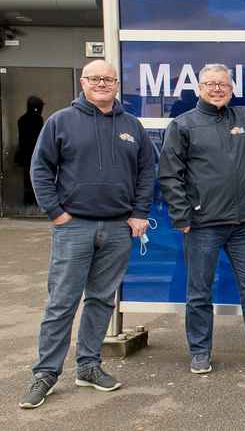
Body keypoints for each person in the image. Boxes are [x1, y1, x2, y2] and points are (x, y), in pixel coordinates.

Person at [20, 60, 155, 409]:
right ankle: (46, 374)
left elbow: (145, 173)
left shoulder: (132, 126)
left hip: (117, 228)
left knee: (100, 300)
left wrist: (139, 213)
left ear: (116, 84)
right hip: (74, 226)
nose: (101, 84)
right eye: (95, 78)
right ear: (83, 82)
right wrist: (56, 213)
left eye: (107, 79)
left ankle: (89, 366)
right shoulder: (60, 121)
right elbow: (40, 168)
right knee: (61, 302)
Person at [159, 43, 245, 374]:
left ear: (232, 88)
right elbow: (169, 174)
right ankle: (200, 351)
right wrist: (181, 215)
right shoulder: (183, 124)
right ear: (200, 88)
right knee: (199, 291)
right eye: (211, 84)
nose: (217, 89)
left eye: (223, 84)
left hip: (243, 224)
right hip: (202, 224)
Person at [16, 95, 45, 205]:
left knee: (27, 181)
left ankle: (28, 203)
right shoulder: (37, 119)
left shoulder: (22, 120)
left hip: (25, 154)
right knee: (34, 180)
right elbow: (37, 138)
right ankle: (33, 203)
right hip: (33, 154)